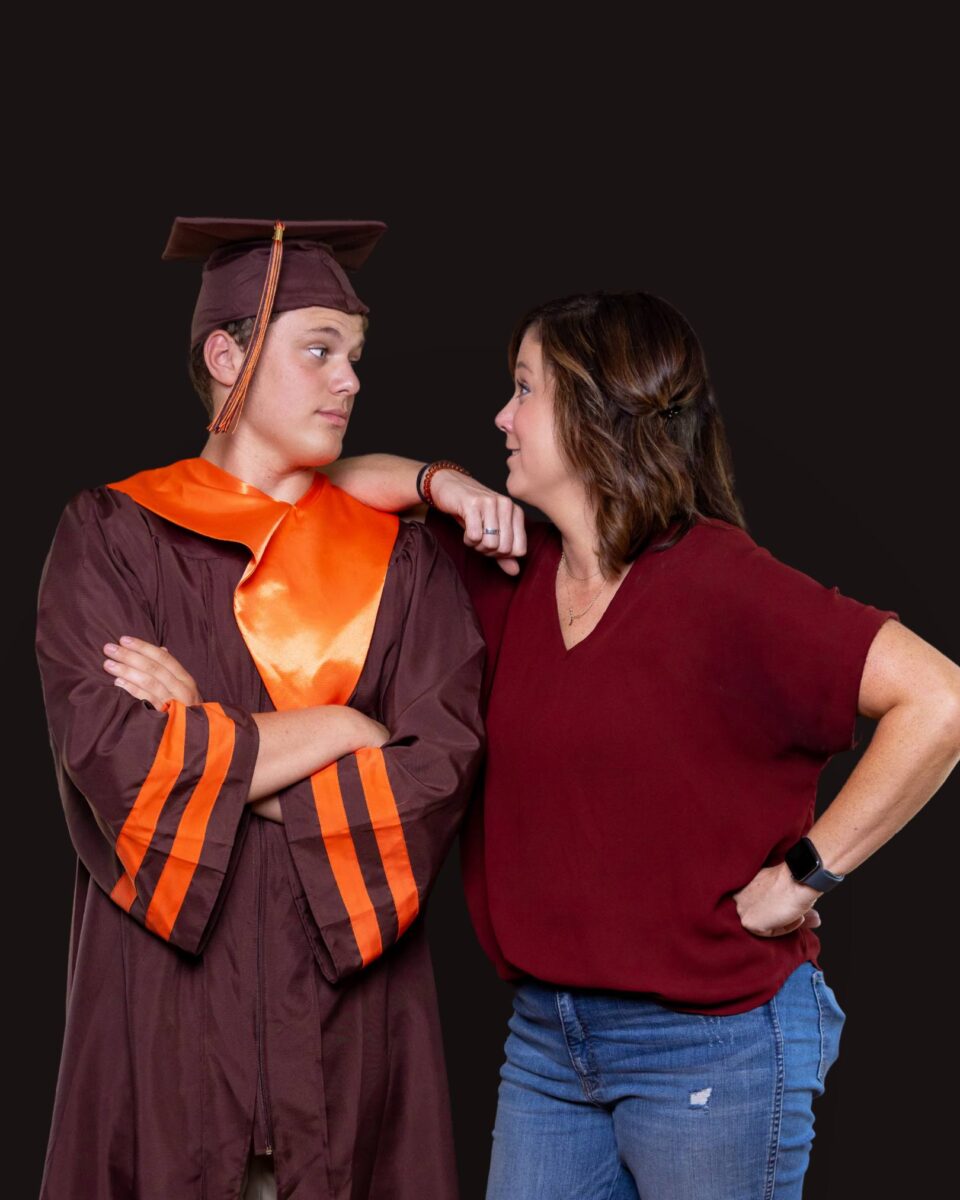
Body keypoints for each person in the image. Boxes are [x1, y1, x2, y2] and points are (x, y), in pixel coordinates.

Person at [301, 290, 960, 1198]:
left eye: (524, 389)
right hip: (546, 1043)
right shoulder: (503, 567)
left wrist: (807, 875)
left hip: (713, 1042)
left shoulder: (723, 584)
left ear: (592, 409)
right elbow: (312, 500)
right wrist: (439, 483)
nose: (502, 414)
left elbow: (942, 701)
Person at [35, 217, 486, 1200]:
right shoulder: (111, 538)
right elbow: (115, 760)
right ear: (227, 356)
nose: (350, 381)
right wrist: (343, 731)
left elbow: (437, 773)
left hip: (350, 1039)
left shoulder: (403, 566)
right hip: (167, 1031)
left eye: (357, 358)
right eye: (319, 350)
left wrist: (205, 737)